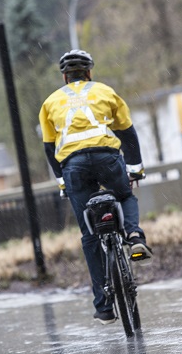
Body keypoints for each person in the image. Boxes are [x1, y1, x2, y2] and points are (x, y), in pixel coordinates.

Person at [39, 49, 153, 325]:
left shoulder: (51, 102)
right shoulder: (104, 91)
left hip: (73, 165)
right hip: (106, 156)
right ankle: (135, 236)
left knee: (90, 235)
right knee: (125, 194)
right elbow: (127, 131)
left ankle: (103, 305)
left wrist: (62, 181)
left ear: (65, 76)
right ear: (89, 73)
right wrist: (135, 167)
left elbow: (49, 146)